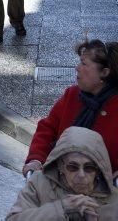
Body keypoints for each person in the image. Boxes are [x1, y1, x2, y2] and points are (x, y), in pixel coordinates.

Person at [23, 40, 118, 177]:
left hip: (104, 191)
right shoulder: (72, 95)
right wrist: (36, 158)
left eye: (84, 63)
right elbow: (48, 128)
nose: (77, 67)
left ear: (104, 72)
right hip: (62, 184)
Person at [8, 127, 118, 220]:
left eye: (89, 168)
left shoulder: (114, 200)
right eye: (72, 167)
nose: (81, 175)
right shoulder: (39, 184)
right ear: (61, 166)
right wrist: (61, 208)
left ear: (98, 169)